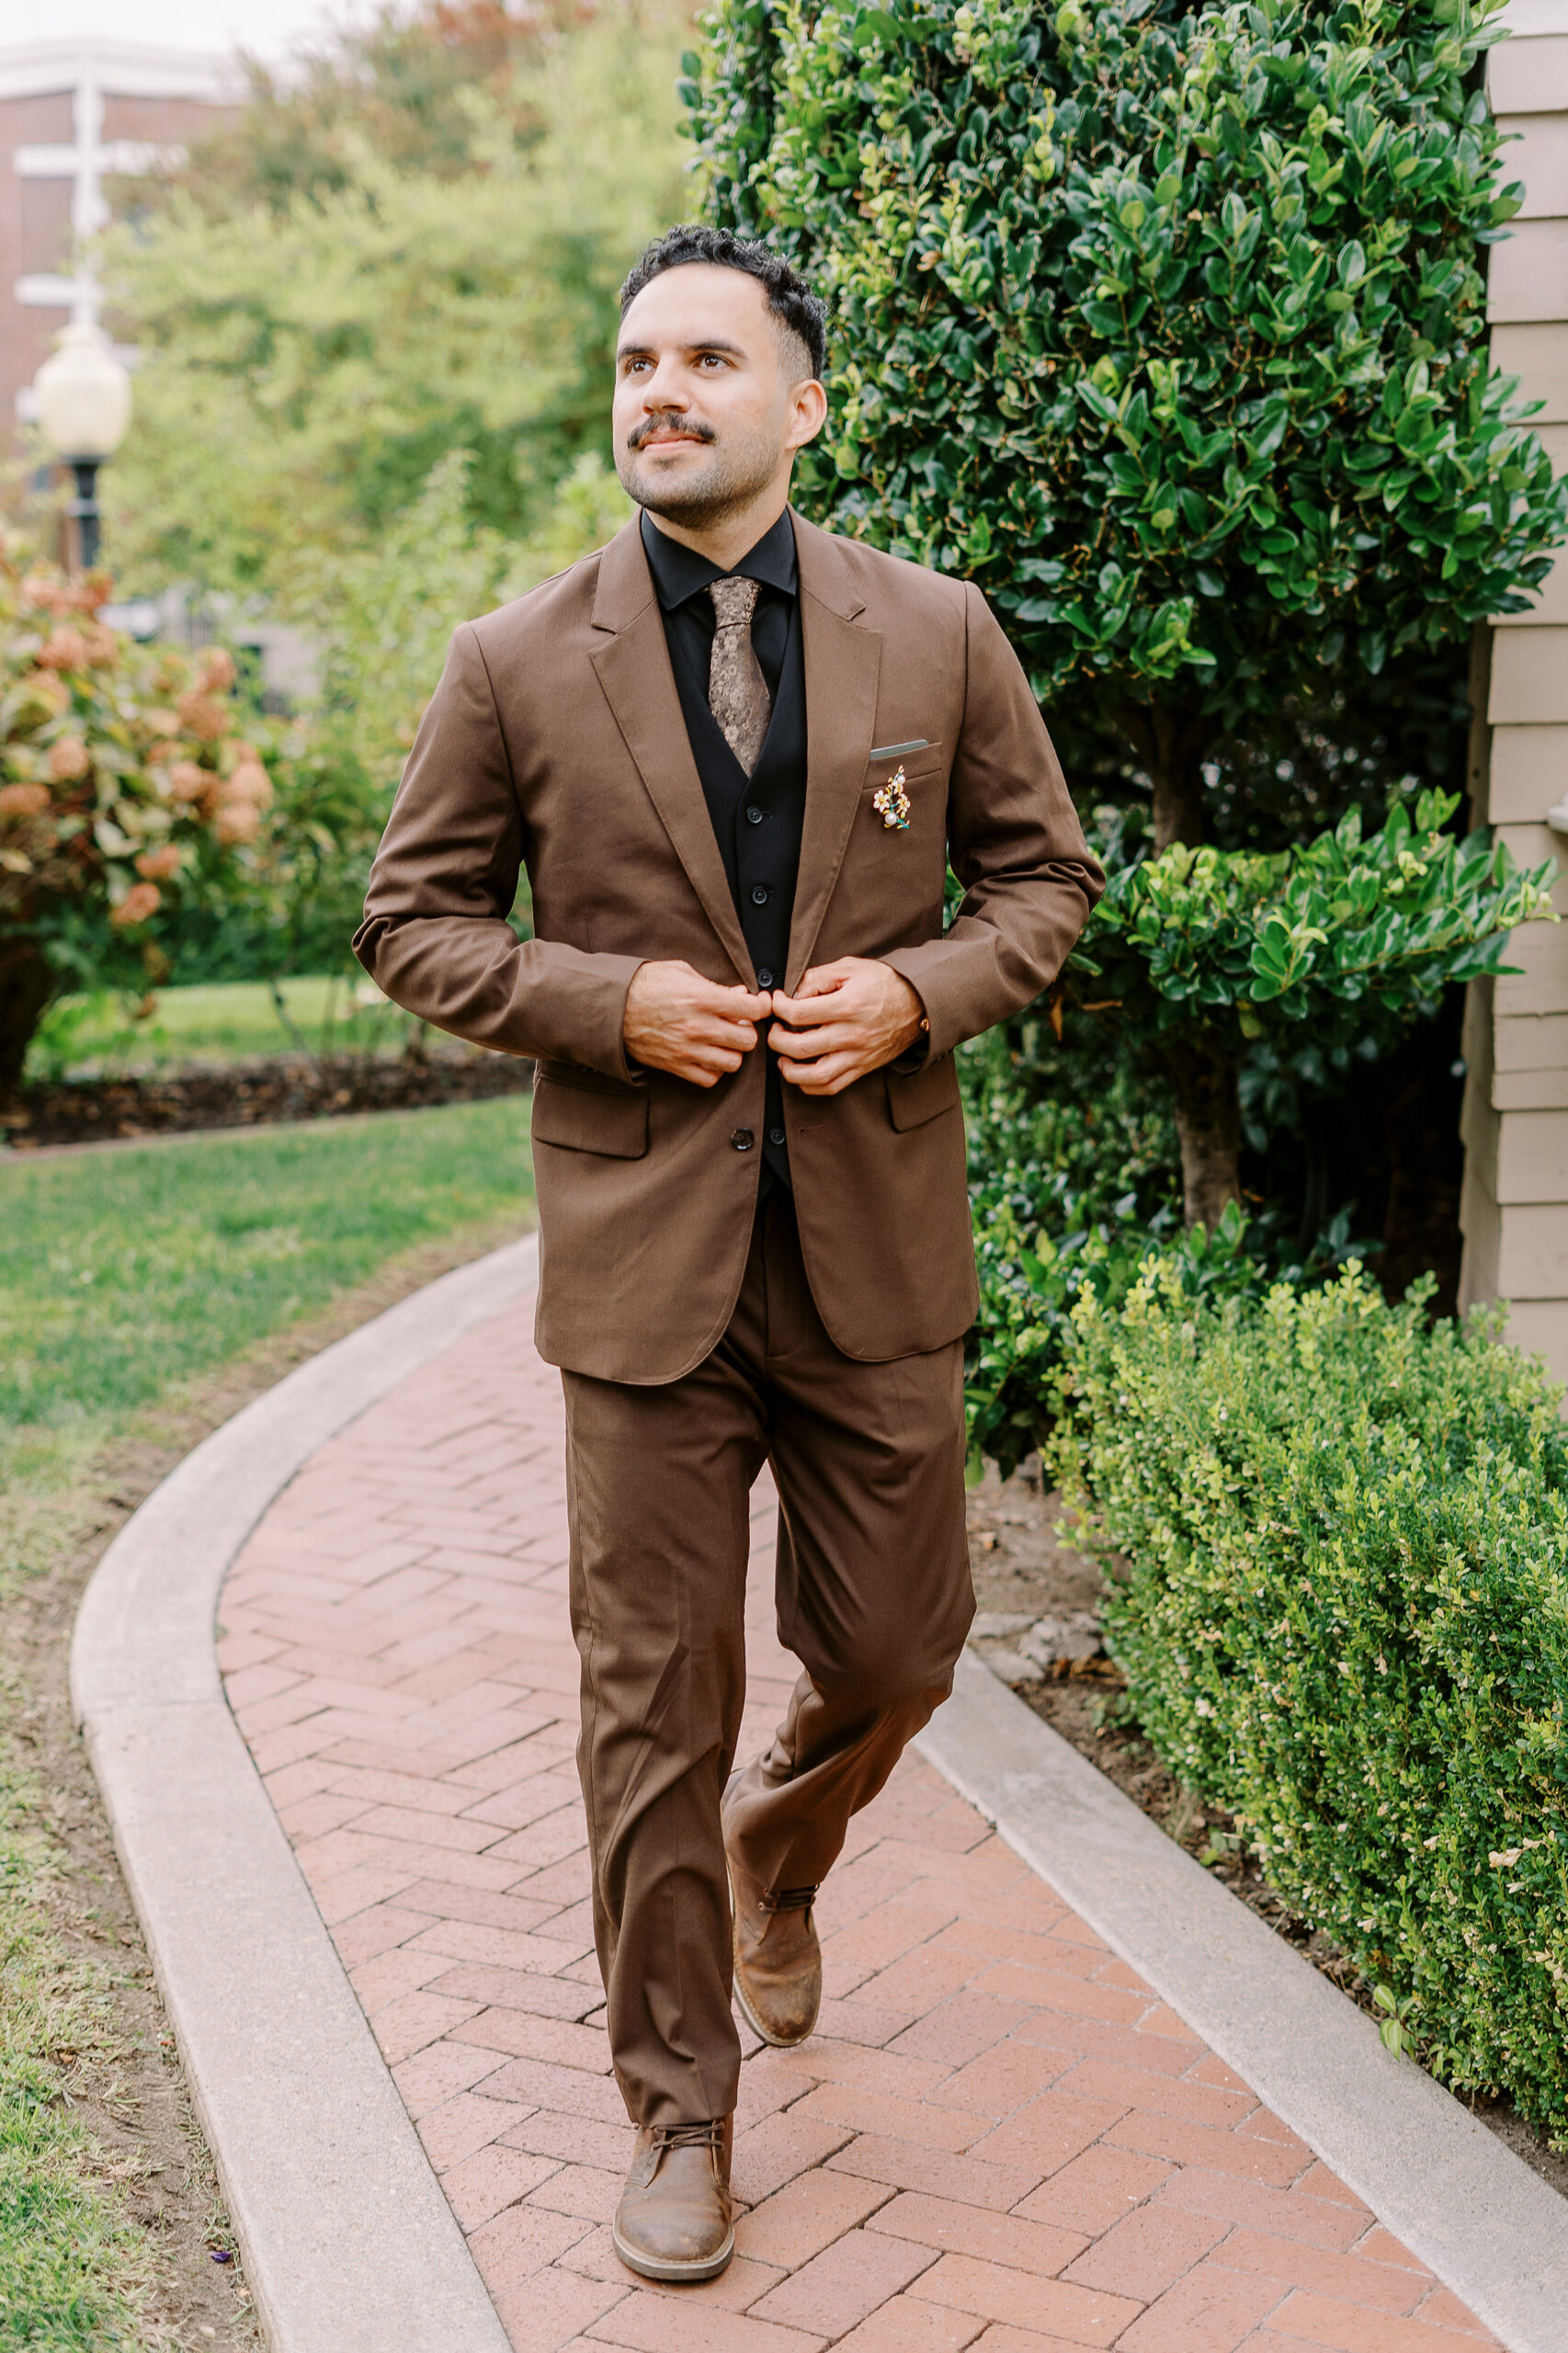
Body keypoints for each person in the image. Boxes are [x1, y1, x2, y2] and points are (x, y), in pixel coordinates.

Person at [354, 222, 1103, 2285]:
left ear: (802, 399)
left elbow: (1045, 882)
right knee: (646, 1709)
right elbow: (411, 922)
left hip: (872, 1246)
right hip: (642, 1273)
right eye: (630, 362)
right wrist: (608, 1005)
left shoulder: (936, 633)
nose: (656, 390)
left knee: (896, 1653)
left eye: (701, 358)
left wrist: (919, 993)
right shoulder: (514, 658)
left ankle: (790, 1841)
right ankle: (677, 2112)